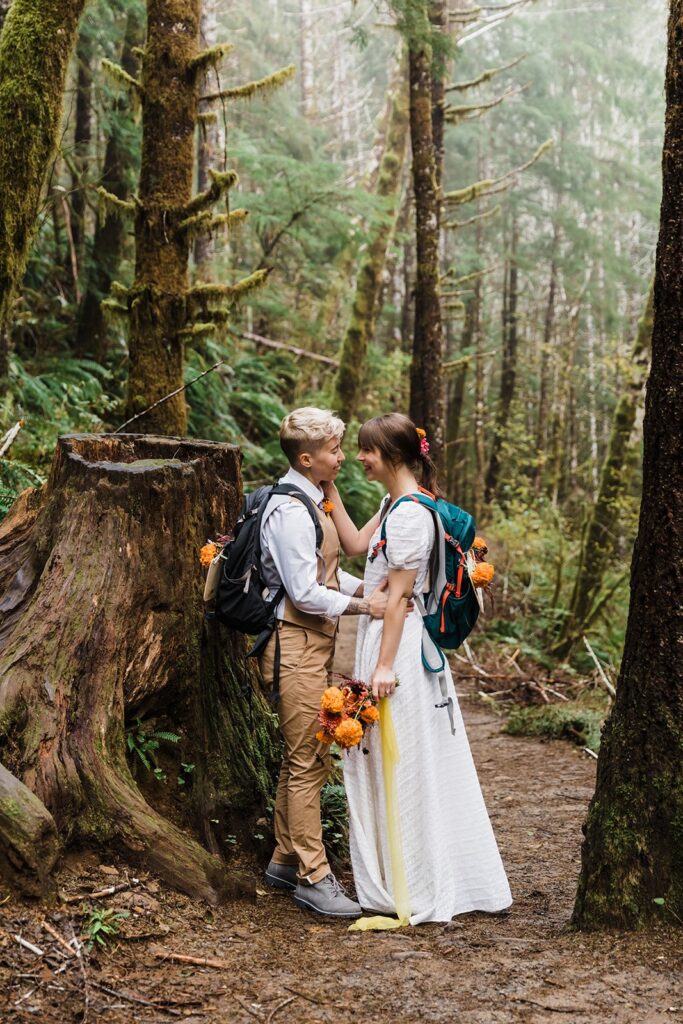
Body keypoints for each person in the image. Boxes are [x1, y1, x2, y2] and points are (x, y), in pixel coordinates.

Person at [323, 412, 512, 925]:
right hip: (385, 638)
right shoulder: (395, 505)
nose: (360, 457)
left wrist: (382, 668)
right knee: (393, 758)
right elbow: (360, 548)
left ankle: (417, 880)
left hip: (400, 647)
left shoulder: (410, 517)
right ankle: (404, 870)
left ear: (395, 456)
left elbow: (400, 596)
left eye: (367, 450)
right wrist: (329, 489)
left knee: (401, 759)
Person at [258, 407, 391, 919]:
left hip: (312, 642)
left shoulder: (317, 497)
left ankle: (285, 860)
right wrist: (365, 606)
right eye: (336, 451)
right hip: (291, 643)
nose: (343, 457)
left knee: (304, 755)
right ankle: (315, 878)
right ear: (308, 458)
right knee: (307, 758)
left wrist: (369, 590)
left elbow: (332, 574)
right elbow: (305, 592)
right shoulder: (291, 511)